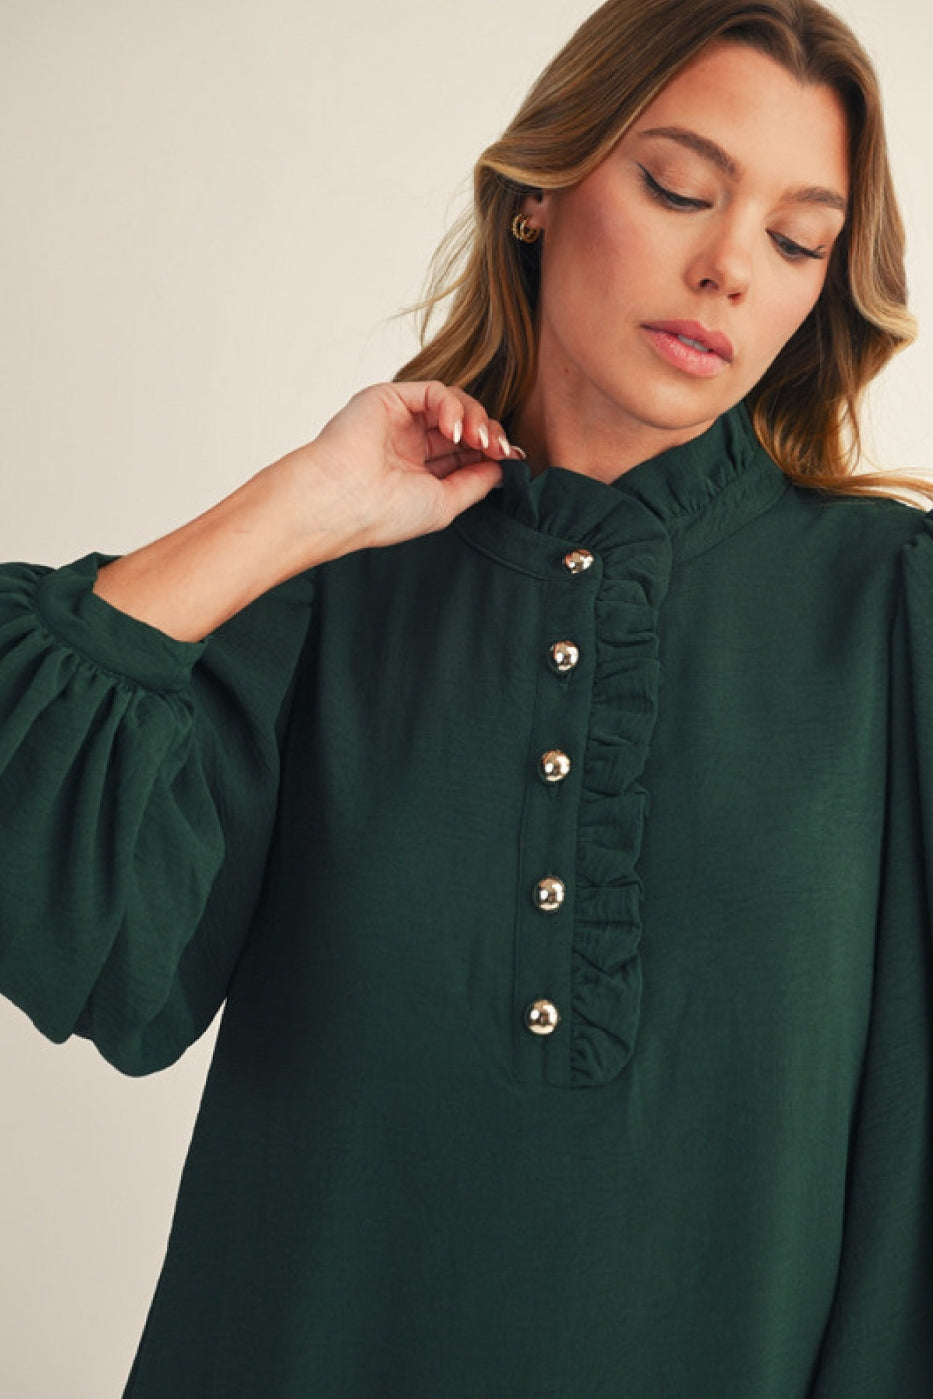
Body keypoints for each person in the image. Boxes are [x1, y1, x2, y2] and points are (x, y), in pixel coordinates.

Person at [1, 0, 932, 1393]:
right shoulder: (329, 585)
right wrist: (300, 507)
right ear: (539, 193)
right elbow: (72, 930)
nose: (729, 267)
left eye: (799, 241)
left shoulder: (891, 608)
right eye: (678, 187)